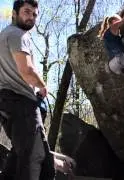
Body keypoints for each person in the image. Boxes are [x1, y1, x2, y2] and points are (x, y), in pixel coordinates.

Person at [0, 0, 56, 179]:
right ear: (14, 13)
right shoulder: (18, 34)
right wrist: (43, 86)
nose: (31, 17)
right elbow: (27, 70)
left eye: (34, 14)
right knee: (37, 160)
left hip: (7, 102)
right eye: (26, 12)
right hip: (21, 103)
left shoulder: (4, 35)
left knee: (19, 157)